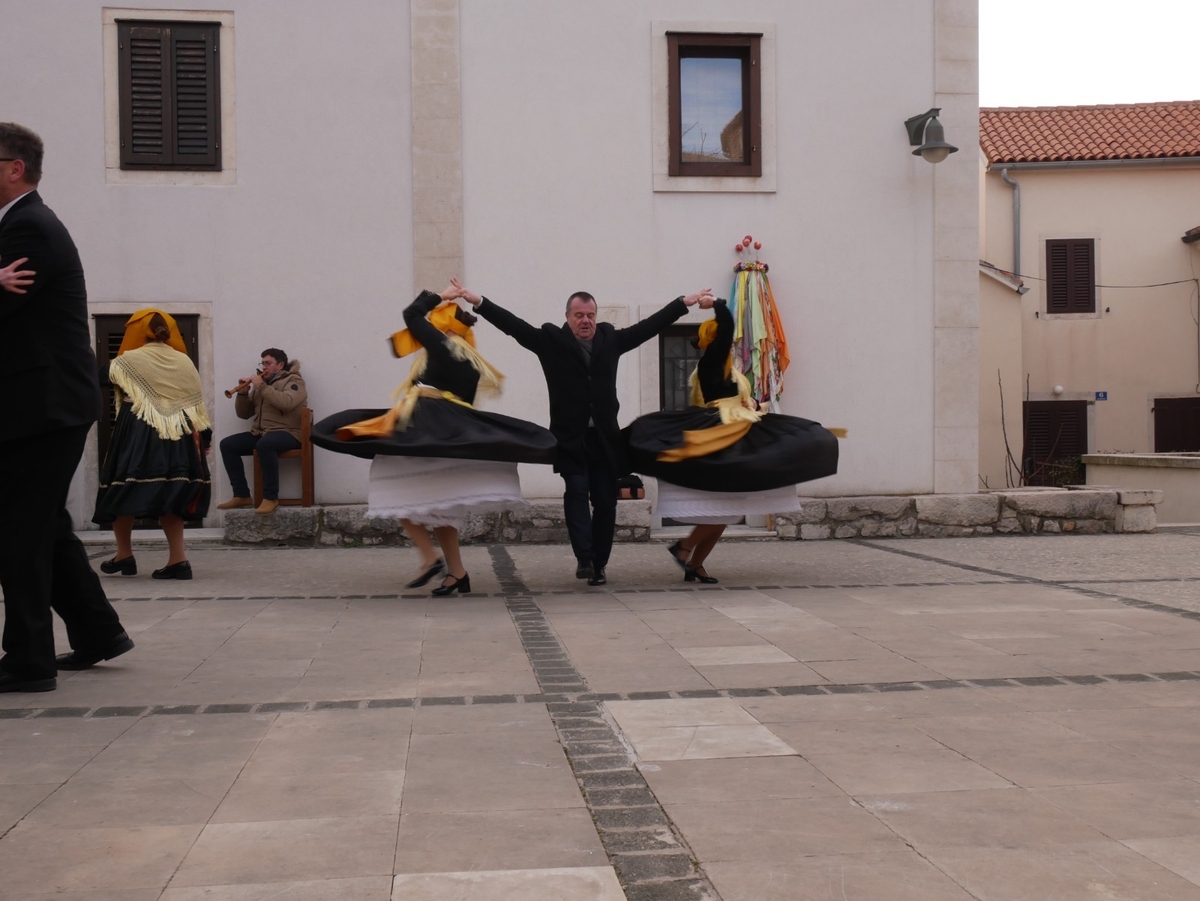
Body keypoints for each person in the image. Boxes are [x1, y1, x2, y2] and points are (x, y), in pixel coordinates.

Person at [456, 278, 714, 585]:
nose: (586, 321)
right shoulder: (550, 340)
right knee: (576, 491)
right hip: (570, 440)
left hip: (605, 441)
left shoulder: (610, 339)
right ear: (568, 317)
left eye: (590, 315)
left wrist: (682, 304)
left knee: (605, 502)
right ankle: (585, 560)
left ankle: (599, 565)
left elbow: (647, 328)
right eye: (579, 315)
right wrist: (480, 302)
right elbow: (515, 326)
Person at [0, 122, 133, 691]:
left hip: (42, 407)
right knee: (42, 526)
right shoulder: (21, 223)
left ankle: (28, 663)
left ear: (14, 169)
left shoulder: (28, 225)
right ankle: (99, 633)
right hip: (44, 405)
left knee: (19, 533)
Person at [311, 286, 556, 595]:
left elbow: (411, 314)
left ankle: (430, 558)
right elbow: (462, 405)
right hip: (443, 438)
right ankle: (457, 573)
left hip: (422, 430)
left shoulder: (442, 346)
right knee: (439, 505)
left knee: (389, 485)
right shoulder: (473, 363)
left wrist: (441, 295)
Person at [626, 299, 840, 582]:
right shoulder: (711, 362)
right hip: (724, 434)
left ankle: (694, 563)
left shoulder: (727, 367)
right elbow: (726, 329)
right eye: (724, 340)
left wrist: (751, 404)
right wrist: (717, 304)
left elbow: (735, 396)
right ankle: (684, 548)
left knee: (728, 511)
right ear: (715, 341)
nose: (729, 343)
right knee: (728, 509)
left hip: (735, 428)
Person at [92, 310, 213, 580]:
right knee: (172, 490)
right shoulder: (184, 361)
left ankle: (124, 554)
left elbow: (100, 377)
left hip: (139, 432)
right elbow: (195, 404)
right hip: (179, 434)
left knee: (122, 489)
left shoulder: (128, 361)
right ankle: (178, 560)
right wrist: (204, 438)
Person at [217, 347, 307, 514]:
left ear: (280, 365)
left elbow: (287, 403)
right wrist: (243, 394)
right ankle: (242, 495)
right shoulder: (263, 384)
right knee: (228, 445)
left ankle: (270, 498)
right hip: (263, 433)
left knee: (265, 444)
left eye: (268, 363)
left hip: (289, 433)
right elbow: (244, 414)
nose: (264, 367)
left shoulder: (294, 380)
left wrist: (261, 387)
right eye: (262, 363)